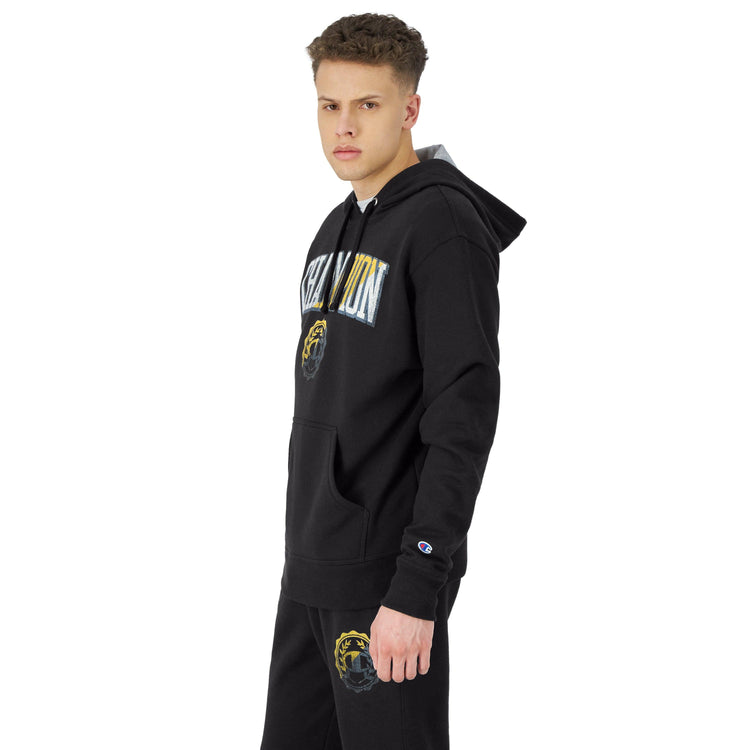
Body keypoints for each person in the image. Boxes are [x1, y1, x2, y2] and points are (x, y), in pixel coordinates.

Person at [260, 12, 526, 750]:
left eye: (368, 104)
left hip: (385, 581)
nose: (343, 126)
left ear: (410, 109)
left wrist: (417, 585)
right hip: (310, 569)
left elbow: (462, 417)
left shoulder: (443, 228)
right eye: (329, 105)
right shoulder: (336, 227)